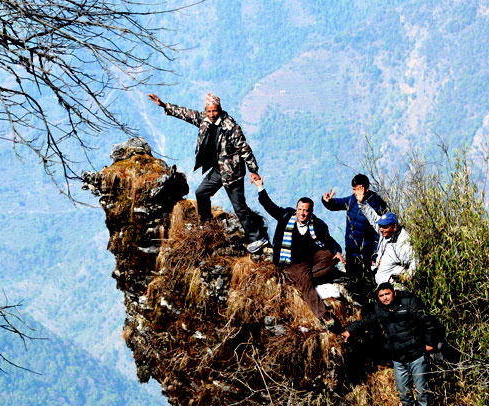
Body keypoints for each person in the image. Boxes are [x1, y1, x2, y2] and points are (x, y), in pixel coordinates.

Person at [147, 92, 269, 253]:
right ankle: (206, 227)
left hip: (232, 172)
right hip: (219, 169)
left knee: (239, 206)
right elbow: (186, 113)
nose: (212, 114)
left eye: (215, 111)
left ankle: (257, 238)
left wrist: (253, 171)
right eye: (209, 111)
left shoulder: (230, 127)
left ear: (220, 109)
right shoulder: (204, 119)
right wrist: (164, 105)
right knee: (201, 193)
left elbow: (245, 149)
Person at [341, 282, 439, 406]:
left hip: (416, 354)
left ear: (393, 292)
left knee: (421, 391)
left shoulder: (409, 302)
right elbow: (367, 320)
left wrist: (430, 344)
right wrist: (350, 331)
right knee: (403, 391)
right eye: (381, 296)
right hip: (398, 358)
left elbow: (428, 321)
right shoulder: (380, 309)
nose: (385, 298)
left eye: (387, 294)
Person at [253, 177, 344, 321]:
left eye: (305, 211)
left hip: (309, 259)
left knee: (330, 256)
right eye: (300, 209)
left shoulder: (317, 225)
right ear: (296, 209)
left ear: (310, 212)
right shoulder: (285, 216)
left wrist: (337, 251)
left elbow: (328, 240)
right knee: (306, 281)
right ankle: (323, 314)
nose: (302, 213)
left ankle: (302, 278)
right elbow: (269, 206)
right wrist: (260, 186)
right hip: (291, 262)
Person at [322, 174, 387, 285]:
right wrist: (327, 201)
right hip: (351, 251)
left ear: (366, 188)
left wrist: (375, 255)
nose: (356, 192)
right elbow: (337, 204)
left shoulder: (377, 204)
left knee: (366, 284)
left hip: (366, 254)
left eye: (358, 189)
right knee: (352, 282)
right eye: (354, 189)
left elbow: (380, 233)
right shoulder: (352, 200)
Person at [357, 209, 417, 285]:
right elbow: (373, 217)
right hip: (381, 284)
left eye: (385, 226)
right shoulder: (386, 233)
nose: (381, 229)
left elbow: (414, 261)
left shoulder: (402, 241)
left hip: (394, 287)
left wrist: (407, 276)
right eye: (380, 226)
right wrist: (362, 203)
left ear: (394, 226)